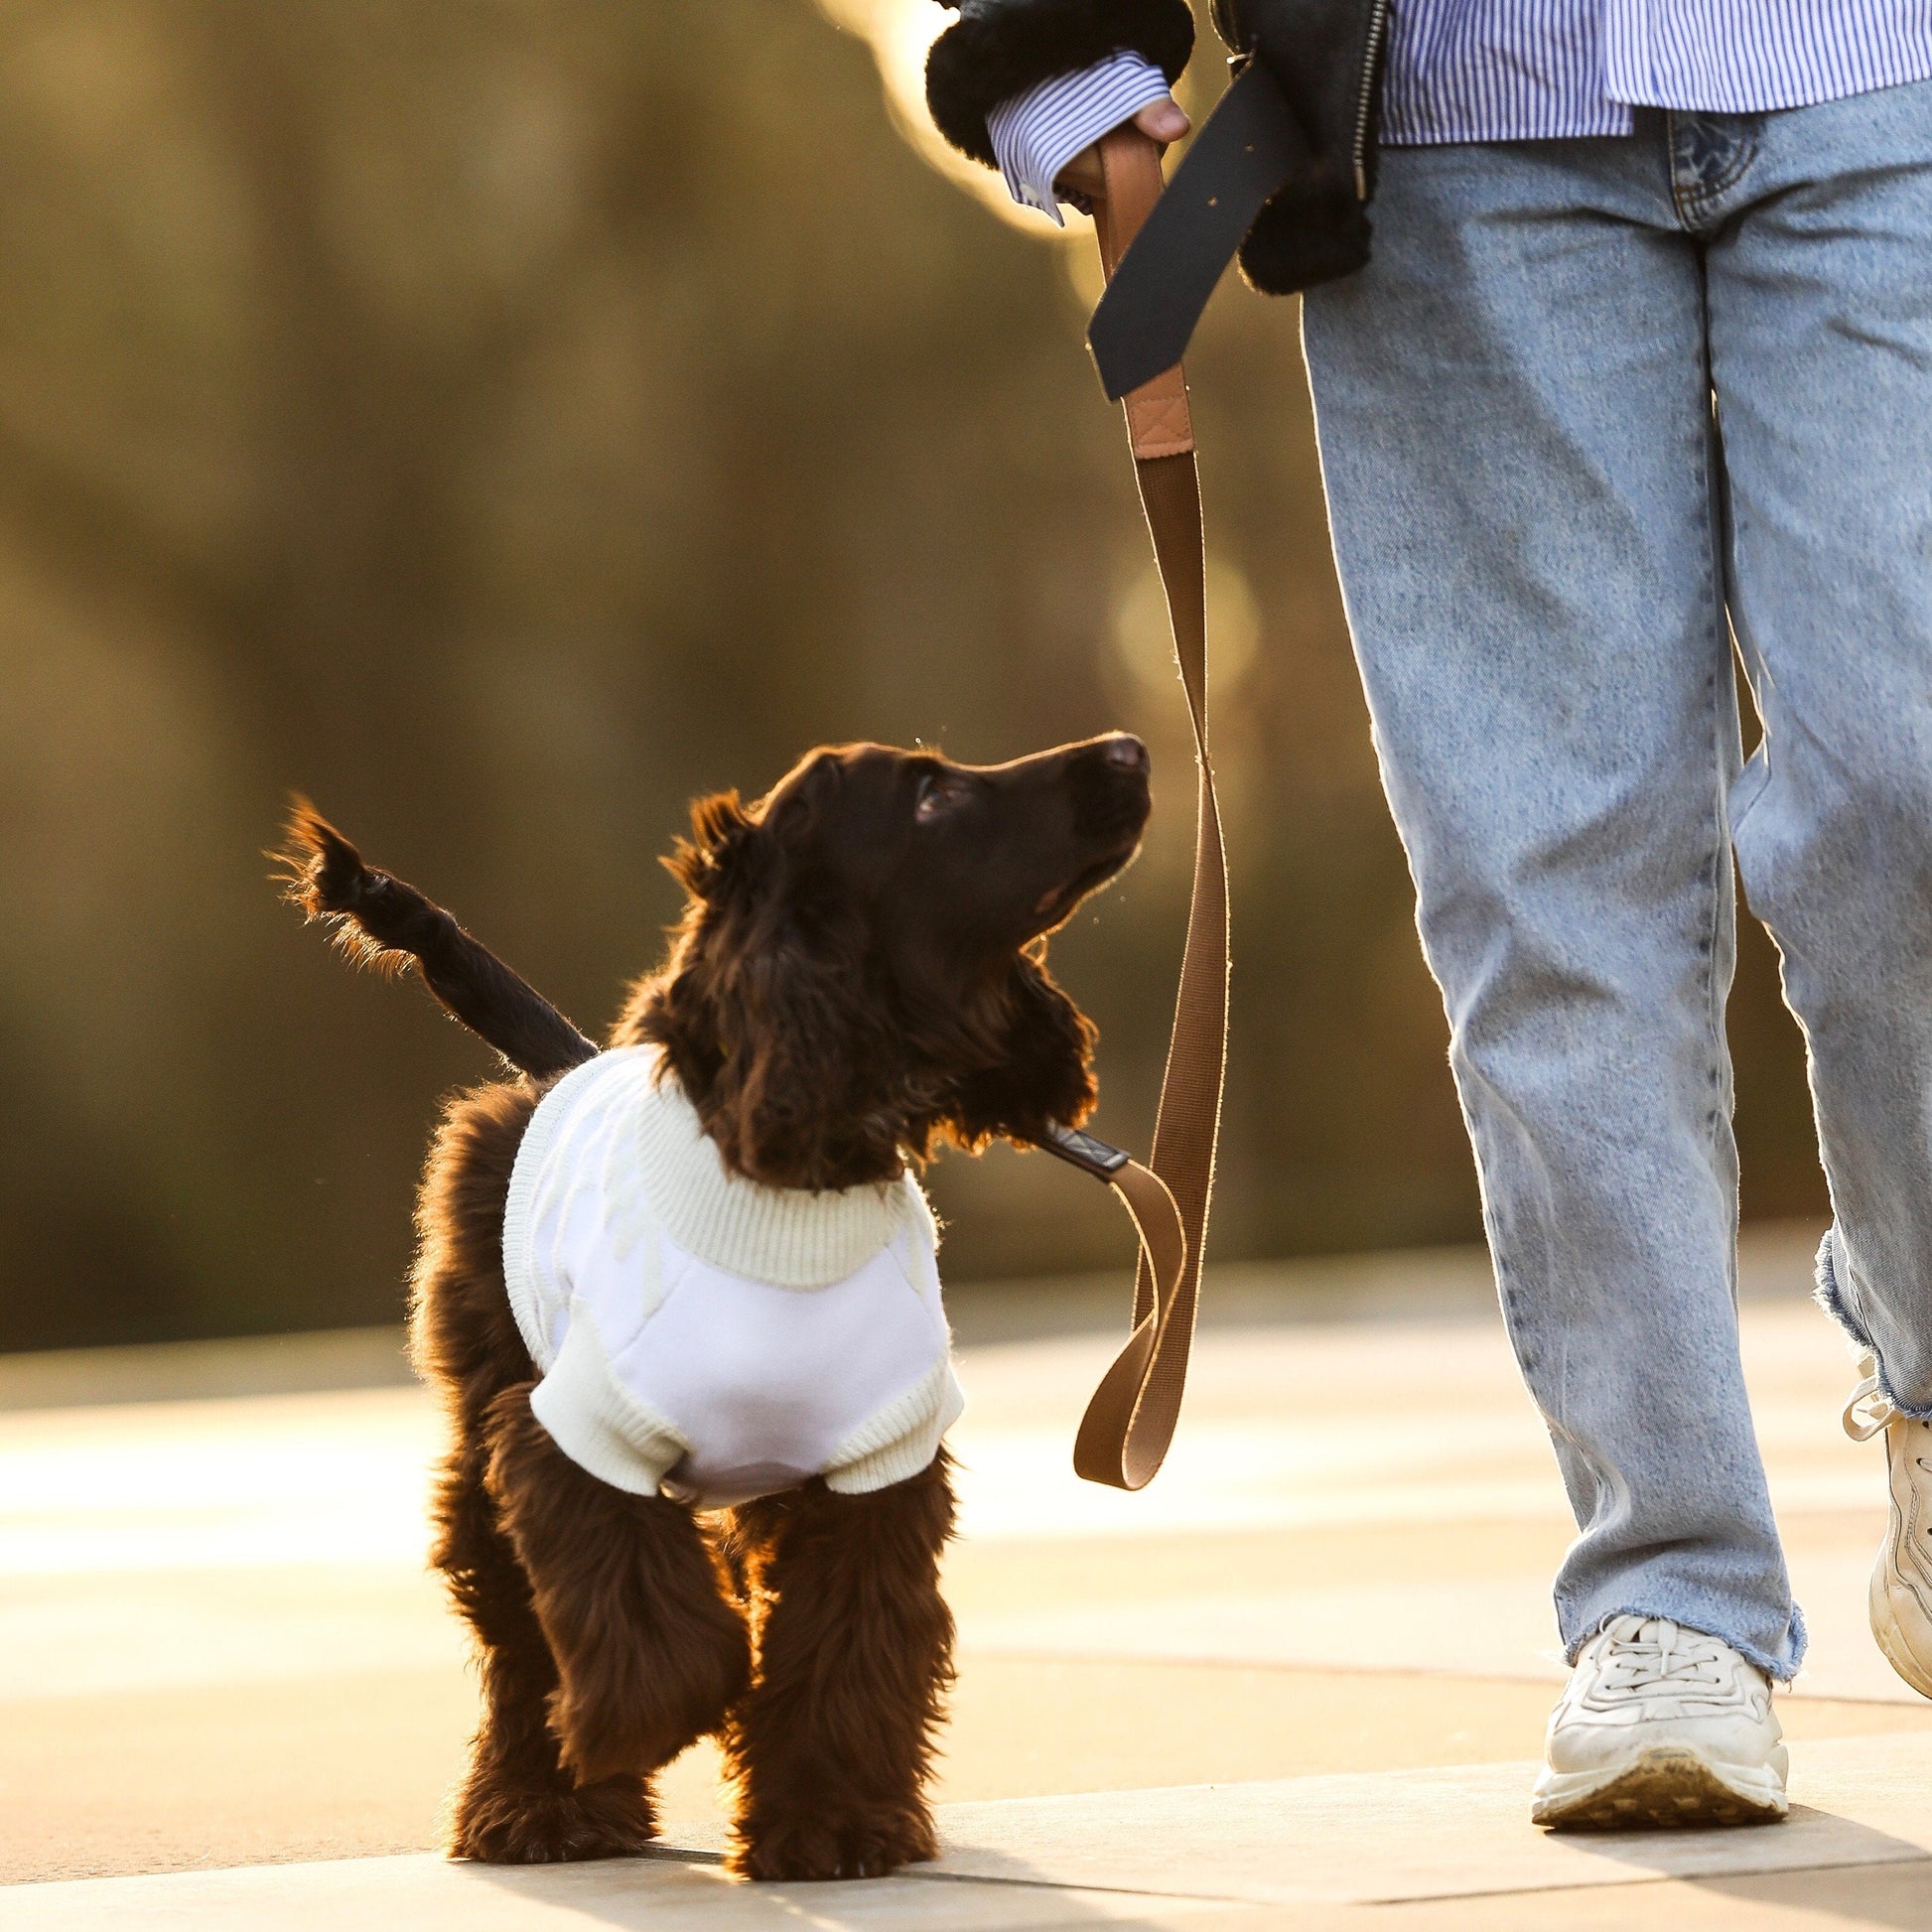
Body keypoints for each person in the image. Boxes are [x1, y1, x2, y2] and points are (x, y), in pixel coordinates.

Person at [924, 0, 1932, 1831]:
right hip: (1453, 119)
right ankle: (1665, 1592)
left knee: (1909, 791)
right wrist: (1061, 51)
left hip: (1882, 76)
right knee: (1548, 888)